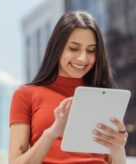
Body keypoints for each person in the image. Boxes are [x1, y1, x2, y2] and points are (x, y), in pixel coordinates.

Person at [8, 11, 128, 164]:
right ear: (57, 48)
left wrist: (118, 149)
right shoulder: (26, 94)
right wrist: (53, 132)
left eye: (91, 50)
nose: (83, 58)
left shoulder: (103, 96)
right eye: (73, 48)